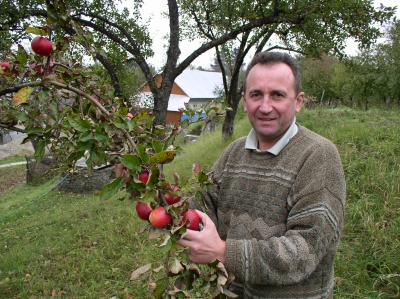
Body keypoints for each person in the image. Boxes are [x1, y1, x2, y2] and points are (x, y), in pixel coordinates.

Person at [176, 51, 346, 299]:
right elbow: (202, 206)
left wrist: (223, 252)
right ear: (245, 101)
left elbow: (305, 251)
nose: (265, 107)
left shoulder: (318, 156)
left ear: (298, 101)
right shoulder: (234, 152)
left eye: (277, 95)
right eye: (256, 95)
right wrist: (147, 185)